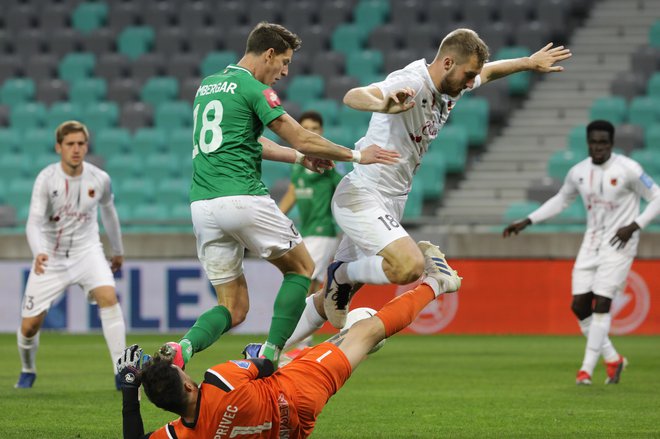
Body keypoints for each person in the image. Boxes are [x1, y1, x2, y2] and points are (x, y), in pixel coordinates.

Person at [282, 28, 572, 345]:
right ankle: (342, 274)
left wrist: (529, 63)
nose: (470, 82)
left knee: (328, 301)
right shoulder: (412, 81)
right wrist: (382, 105)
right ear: (447, 62)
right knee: (409, 266)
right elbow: (353, 95)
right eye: (467, 74)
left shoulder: (452, 85)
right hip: (362, 195)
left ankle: (265, 351)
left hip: (390, 202)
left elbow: (488, 72)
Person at [167, 22, 399, 369]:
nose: (285, 72)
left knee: (233, 307)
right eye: (285, 62)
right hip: (243, 198)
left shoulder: (208, 85)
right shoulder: (254, 89)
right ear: (269, 54)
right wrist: (355, 155)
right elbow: (300, 136)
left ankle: (183, 348)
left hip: (202, 206)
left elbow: (248, 141)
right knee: (302, 269)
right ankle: (271, 354)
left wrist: (298, 158)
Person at [117, 242, 461, 439]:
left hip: (293, 430)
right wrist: (254, 356)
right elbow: (263, 364)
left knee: (320, 344)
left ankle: (331, 315)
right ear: (189, 387)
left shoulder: (183, 435)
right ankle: (438, 283)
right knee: (366, 331)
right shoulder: (219, 381)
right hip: (296, 391)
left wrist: (131, 392)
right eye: (183, 374)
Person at [502, 120, 660, 385]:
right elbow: (561, 199)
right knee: (579, 306)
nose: (598, 148)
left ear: (611, 144)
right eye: (594, 142)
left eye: (603, 143)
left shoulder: (628, 170)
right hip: (591, 242)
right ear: (588, 143)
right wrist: (528, 220)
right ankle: (613, 359)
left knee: (603, 303)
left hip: (620, 243)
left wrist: (634, 226)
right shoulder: (578, 172)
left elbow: (657, 197)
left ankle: (585, 370)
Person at [15, 120, 126, 389]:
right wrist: (38, 252)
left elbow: (109, 214)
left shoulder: (100, 178)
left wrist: (117, 250)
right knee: (29, 327)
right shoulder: (46, 179)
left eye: (81, 143)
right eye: (70, 144)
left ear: (86, 146)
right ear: (58, 147)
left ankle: (122, 372)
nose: (76, 149)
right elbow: (33, 222)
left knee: (108, 297)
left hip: (87, 252)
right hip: (51, 258)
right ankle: (28, 369)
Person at [278, 110, 344, 353]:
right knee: (309, 286)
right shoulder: (299, 165)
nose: (312, 132)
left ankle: (299, 341)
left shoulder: (329, 168)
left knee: (304, 283)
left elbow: (345, 193)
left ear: (322, 132)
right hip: (304, 232)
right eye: (307, 128)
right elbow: (293, 193)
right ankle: (307, 336)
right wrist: (275, 216)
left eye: (316, 128)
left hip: (322, 231)